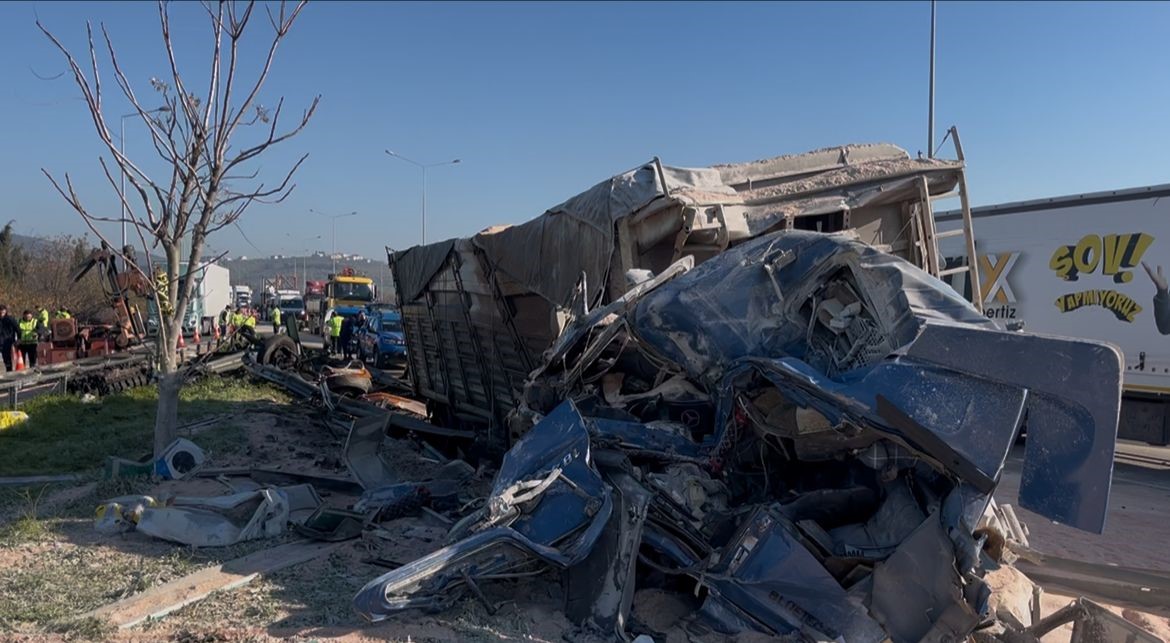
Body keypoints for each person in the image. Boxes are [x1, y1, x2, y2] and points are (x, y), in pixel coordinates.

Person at [0, 305, 19, 372]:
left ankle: (9, 371)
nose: (1, 312)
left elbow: (17, 328)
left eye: (3, 310)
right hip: (1, 341)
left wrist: (19, 338)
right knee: (5, 358)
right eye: (0, 310)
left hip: (8, 341)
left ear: (5, 311)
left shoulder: (10, 319)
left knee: (7, 358)